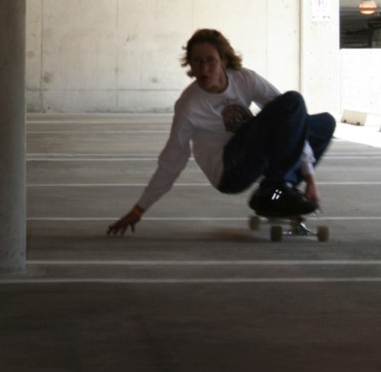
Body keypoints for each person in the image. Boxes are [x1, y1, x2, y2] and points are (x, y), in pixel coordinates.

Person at [107, 28, 336, 235]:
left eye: (210, 61)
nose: (204, 69)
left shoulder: (245, 79)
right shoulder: (189, 106)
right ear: (190, 64)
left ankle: (276, 193)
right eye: (197, 62)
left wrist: (310, 178)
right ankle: (273, 191)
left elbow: (292, 122)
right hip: (228, 170)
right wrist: (138, 210)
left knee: (323, 123)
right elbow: (172, 161)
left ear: (224, 61)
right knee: (291, 105)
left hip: (252, 155)